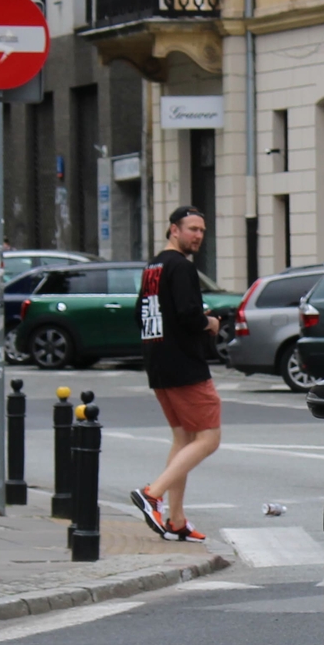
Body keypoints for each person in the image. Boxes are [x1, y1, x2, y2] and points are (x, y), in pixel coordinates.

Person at [133, 206, 223, 540]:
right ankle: (152, 494)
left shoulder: (152, 267)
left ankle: (176, 519)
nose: (198, 236)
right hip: (184, 364)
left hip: (157, 361)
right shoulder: (181, 267)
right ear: (174, 230)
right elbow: (188, 316)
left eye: (202, 230)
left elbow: (140, 313)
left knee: (183, 438)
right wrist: (210, 323)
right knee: (209, 437)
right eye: (192, 229)